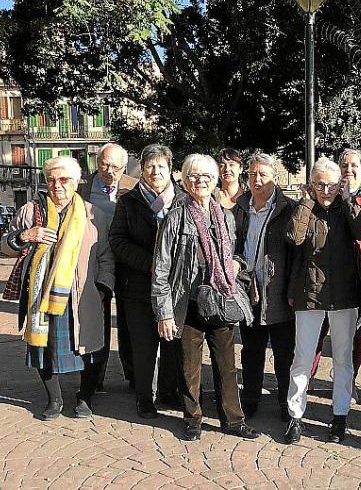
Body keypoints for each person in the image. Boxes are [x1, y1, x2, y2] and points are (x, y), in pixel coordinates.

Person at [151, 153, 259, 441]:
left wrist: (237, 264)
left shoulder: (225, 216)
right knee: (189, 367)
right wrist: (164, 313)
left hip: (221, 299)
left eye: (207, 176)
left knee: (227, 366)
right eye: (194, 176)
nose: (201, 181)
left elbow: (236, 253)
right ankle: (193, 418)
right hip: (187, 302)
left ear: (215, 181)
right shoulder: (175, 217)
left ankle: (233, 421)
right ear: (186, 181)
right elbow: (160, 268)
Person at [1, 156, 114, 420]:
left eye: (63, 179)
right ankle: (54, 399)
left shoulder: (93, 214)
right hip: (41, 297)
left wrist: (103, 287)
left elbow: (106, 257)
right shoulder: (30, 211)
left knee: (89, 349)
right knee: (44, 349)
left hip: (83, 296)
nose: (57, 185)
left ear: (76, 182)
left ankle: (85, 398)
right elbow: (6, 245)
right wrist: (26, 236)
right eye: (51, 180)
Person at [284, 156, 361, 445]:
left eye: (331, 185)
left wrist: (346, 200)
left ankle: (340, 415)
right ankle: (295, 415)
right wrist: (307, 202)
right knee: (302, 357)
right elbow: (294, 237)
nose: (326, 190)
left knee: (344, 358)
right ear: (311, 184)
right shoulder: (305, 207)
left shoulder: (346, 207)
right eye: (319, 184)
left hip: (344, 295)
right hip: (309, 294)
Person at [109, 144, 184, 419]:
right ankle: (145, 397)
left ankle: (169, 392)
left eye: (161, 166)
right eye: (150, 166)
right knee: (143, 345)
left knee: (173, 342)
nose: (155, 172)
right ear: (142, 169)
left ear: (170, 169)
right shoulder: (128, 201)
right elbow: (117, 240)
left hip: (175, 287)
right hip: (137, 285)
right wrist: (152, 263)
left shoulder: (183, 200)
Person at [309, 149, 361, 402]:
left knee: (354, 337)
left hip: (358, 280)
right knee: (316, 333)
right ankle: (307, 378)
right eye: (344, 165)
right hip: (324, 278)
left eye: (354, 166)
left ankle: (348, 381)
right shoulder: (327, 196)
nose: (348, 170)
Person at [232, 153, 297, 422]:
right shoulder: (239, 207)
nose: (256, 180)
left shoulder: (288, 208)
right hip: (249, 290)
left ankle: (285, 402)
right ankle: (250, 399)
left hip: (279, 292)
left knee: (284, 352)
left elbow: (296, 253)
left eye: (263, 174)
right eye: (252, 174)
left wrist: (292, 290)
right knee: (251, 349)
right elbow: (233, 244)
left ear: (275, 178)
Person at [78, 143, 138, 391]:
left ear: (124, 167)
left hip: (127, 260)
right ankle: (95, 377)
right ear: (97, 162)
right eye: (104, 164)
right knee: (96, 316)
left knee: (130, 319)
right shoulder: (82, 187)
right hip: (95, 260)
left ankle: (134, 375)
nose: (109, 170)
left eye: (115, 166)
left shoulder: (134, 187)